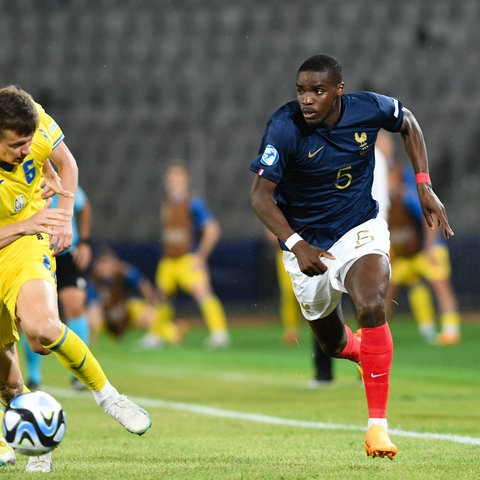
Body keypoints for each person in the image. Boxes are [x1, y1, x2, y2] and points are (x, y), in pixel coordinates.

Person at [249, 54, 453, 460]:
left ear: (338, 91)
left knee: (373, 302)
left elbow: (407, 121)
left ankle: (377, 427)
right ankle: (363, 353)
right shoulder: (284, 127)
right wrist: (294, 243)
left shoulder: (367, 108)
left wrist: (423, 184)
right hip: (305, 244)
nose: (307, 99)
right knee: (332, 343)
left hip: (359, 228)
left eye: (317, 91)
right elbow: (259, 196)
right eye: (301, 90)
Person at [0, 86, 151, 472]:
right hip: (12, 232)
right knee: (7, 379)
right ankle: (33, 434)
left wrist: (63, 214)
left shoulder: (31, 117)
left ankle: (109, 396)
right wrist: (27, 222)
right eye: (17, 145)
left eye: (29, 141)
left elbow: (67, 163)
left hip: (24, 247)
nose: (26, 150)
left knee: (44, 331)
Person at [144, 160, 230, 349]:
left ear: (186, 181)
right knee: (161, 297)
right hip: (168, 259)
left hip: (187, 258)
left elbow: (212, 229)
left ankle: (219, 333)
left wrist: (200, 256)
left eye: (178, 178)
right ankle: (156, 334)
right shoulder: (166, 204)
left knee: (202, 292)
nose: (174, 182)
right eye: (171, 178)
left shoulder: (193, 203)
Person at [22, 184, 93, 391]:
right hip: (34, 254)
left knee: (75, 306)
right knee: (32, 317)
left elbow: (84, 205)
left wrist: (86, 242)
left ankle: (79, 375)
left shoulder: (59, 178)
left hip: (65, 254)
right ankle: (33, 376)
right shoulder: (17, 178)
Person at [386, 161, 461, 345]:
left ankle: (451, 331)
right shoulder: (383, 200)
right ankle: (377, 334)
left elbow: (431, 217)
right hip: (403, 254)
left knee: (440, 286)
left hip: (426, 249)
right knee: (387, 292)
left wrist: (429, 248)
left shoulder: (408, 196)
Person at [89, 246, 181, 345]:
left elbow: (144, 285)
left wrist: (151, 305)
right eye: (102, 263)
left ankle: (154, 337)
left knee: (147, 313)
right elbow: (93, 305)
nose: (106, 267)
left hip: (126, 314)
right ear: (97, 265)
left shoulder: (123, 272)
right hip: (108, 319)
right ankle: (92, 344)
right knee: (91, 317)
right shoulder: (94, 280)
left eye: (108, 263)